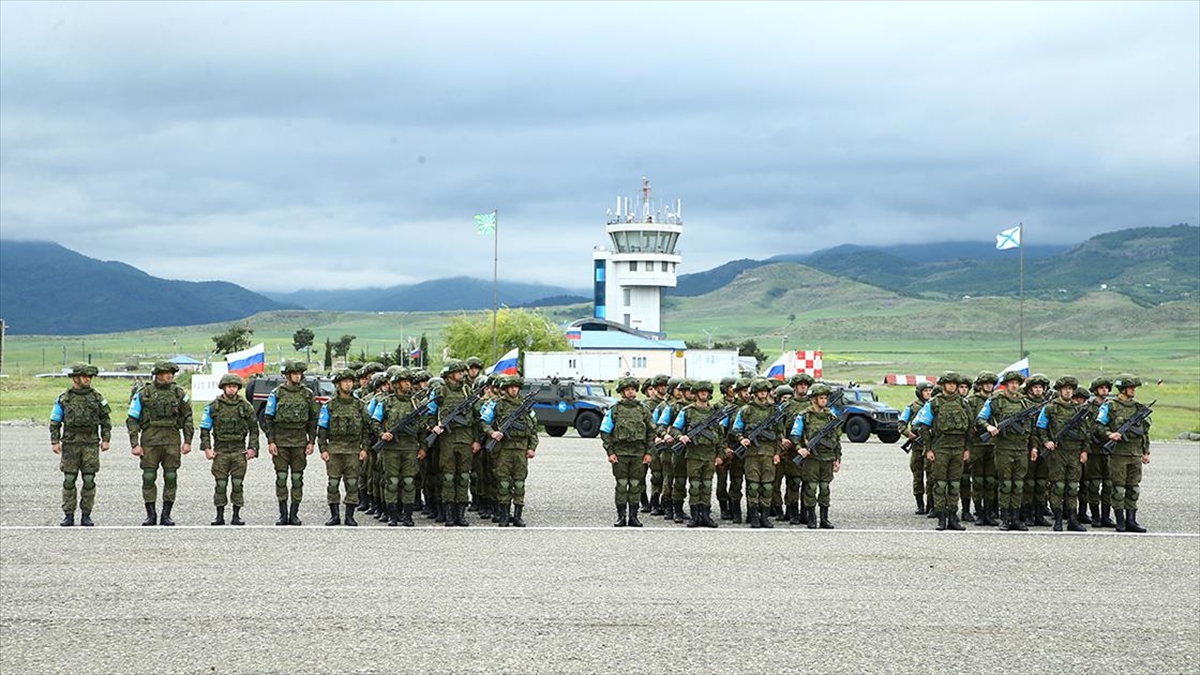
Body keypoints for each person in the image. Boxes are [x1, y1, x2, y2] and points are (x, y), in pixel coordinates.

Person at [127, 361, 193, 526]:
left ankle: (166, 514)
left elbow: (188, 418)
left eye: (171, 373)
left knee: (171, 476)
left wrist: (188, 441)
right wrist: (135, 444)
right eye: (165, 373)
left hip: (172, 439)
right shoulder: (144, 393)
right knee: (149, 476)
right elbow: (132, 419)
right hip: (150, 439)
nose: (169, 375)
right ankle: (150, 514)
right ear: (157, 374)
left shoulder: (179, 393)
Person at [50, 363, 112, 526]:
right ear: (76, 378)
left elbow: (106, 420)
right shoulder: (64, 398)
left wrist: (106, 439)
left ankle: (86, 514)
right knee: (69, 479)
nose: (88, 380)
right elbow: (55, 421)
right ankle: (68, 514)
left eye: (90, 377)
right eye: (85, 376)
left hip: (90, 443)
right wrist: (55, 441)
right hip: (70, 443)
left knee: (89, 479)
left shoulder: (97, 398)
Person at [977, 371, 1037, 531]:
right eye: (1011, 383)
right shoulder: (995, 400)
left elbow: (1033, 429)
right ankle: (1004, 519)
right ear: (1006, 384)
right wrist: (989, 427)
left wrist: (1034, 447)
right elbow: (981, 418)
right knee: (1005, 484)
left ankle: (1015, 518)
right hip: (1004, 448)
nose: (1014, 385)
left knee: (1018, 484)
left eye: (1017, 383)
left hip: (1021, 447)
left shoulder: (1025, 403)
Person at [262, 361, 320, 526]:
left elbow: (313, 419)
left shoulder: (307, 394)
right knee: (281, 477)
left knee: (297, 478)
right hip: (280, 441)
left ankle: (294, 514)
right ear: (287, 375)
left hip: (299, 441)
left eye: (300, 373)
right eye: (294, 373)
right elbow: (269, 418)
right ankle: (283, 514)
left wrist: (311, 441)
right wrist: (271, 441)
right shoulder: (277, 393)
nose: (298, 376)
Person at [912, 373, 971, 531]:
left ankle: (953, 517)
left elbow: (970, 427)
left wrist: (967, 449)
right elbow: (923, 426)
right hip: (940, 449)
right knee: (940, 484)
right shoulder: (934, 403)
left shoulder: (963, 403)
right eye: (949, 384)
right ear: (943, 385)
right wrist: (929, 448)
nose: (952, 386)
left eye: (954, 384)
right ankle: (941, 518)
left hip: (958, 448)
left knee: (954, 485)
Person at [199, 373, 259, 525]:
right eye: (229, 386)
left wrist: (252, 448)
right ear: (224, 388)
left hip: (239, 450)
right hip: (221, 450)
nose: (232, 389)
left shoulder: (246, 406)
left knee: (238, 483)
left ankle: (236, 515)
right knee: (221, 484)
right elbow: (205, 428)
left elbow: (254, 428)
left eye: (234, 387)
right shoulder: (214, 406)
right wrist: (207, 448)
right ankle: (219, 515)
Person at [1097, 374, 1152, 532]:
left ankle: (1131, 520)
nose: (1133, 390)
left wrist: (1145, 452)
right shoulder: (1110, 406)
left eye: (1134, 387)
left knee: (1133, 488)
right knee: (1119, 489)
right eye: (1131, 387)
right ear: (1122, 388)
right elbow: (1098, 426)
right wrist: (1110, 435)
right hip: (1118, 454)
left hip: (1135, 453)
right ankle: (1120, 521)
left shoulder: (1138, 408)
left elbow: (1144, 432)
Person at [370, 368, 425, 526]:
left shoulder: (416, 403)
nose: (408, 384)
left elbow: (422, 428)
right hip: (391, 449)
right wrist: (382, 434)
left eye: (409, 381)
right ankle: (393, 515)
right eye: (404, 381)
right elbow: (374, 421)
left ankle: (407, 516)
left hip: (409, 448)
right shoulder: (386, 402)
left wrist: (423, 448)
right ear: (396, 384)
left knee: (408, 481)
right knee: (392, 482)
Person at [428, 359, 478, 527]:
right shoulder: (440, 391)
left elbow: (477, 417)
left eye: (463, 372)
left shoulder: (467, 391)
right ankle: (449, 514)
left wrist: (476, 439)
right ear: (450, 374)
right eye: (459, 372)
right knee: (448, 477)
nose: (462, 374)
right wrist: (433, 427)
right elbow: (429, 412)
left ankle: (461, 515)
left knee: (463, 476)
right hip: (447, 439)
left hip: (465, 438)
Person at [1034, 376, 1088, 532]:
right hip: (1057, 453)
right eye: (1065, 389)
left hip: (1074, 452)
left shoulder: (1078, 409)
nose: (1068, 391)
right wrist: (1046, 442)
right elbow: (1041, 427)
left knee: (1072, 487)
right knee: (1057, 486)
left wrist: (1084, 450)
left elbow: (1086, 432)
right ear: (1059, 391)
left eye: (1071, 389)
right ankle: (1058, 520)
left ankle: (1072, 520)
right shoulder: (1051, 408)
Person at [670, 380, 727, 528]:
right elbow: (675, 428)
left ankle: (706, 515)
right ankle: (695, 516)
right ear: (695, 394)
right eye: (701, 391)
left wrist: (720, 455)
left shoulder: (715, 412)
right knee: (694, 485)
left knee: (707, 485)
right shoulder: (687, 411)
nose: (704, 394)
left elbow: (721, 436)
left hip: (709, 454)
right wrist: (680, 437)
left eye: (706, 392)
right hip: (693, 454)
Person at [318, 369, 371, 526]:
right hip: (334, 450)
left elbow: (366, 429)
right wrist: (323, 449)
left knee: (352, 484)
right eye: (345, 381)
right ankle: (334, 515)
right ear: (338, 384)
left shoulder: (359, 405)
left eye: (350, 381)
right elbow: (322, 429)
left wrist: (364, 449)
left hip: (353, 450)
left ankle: (350, 516)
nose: (348, 384)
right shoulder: (330, 405)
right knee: (333, 483)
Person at [484, 376, 538, 527]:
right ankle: (503, 515)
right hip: (504, 450)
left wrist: (532, 447)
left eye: (517, 387)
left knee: (519, 483)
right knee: (503, 483)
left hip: (521, 450)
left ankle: (518, 516)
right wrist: (492, 433)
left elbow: (533, 429)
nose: (515, 390)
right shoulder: (497, 404)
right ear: (506, 388)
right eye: (512, 387)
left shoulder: (525, 406)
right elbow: (484, 421)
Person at [601, 377, 654, 527]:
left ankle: (634, 516)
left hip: (638, 453)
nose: (631, 392)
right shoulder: (615, 410)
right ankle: (621, 516)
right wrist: (610, 452)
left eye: (633, 389)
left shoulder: (643, 410)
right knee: (622, 484)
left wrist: (649, 452)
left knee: (636, 484)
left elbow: (651, 432)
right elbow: (605, 431)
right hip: (620, 453)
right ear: (622, 392)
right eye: (627, 389)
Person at [731, 379, 784, 529]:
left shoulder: (774, 411)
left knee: (767, 487)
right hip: (751, 454)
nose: (763, 393)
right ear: (754, 392)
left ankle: (765, 517)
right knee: (753, 486)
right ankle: (753, 516)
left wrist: (777, 453)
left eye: (765, 391)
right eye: (760, 391)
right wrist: (742, 439)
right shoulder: (746, 410)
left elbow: (779, 434)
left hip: (769, 453)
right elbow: (736, 429)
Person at [791, 383, 843, 529]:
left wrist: (837, 459)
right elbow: (795, 435)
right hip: (811, 458)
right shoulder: (804, 416)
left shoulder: (830, 416)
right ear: (813, 399)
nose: (824, 401)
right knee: (811, 487)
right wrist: (799, 448)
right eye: (821, 398)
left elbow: (836, 440)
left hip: (827, 457)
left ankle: (824, 519)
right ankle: (811, 518)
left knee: (825, 487)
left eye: (825, 398)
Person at [967, 372, 999, 526]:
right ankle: (979, 512)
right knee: (978, 481)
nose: (988, 386)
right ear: (980, 385)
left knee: (991, 481)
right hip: (977, 445)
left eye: (991, 383)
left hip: (993, 445)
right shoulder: (971, 401)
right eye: (985, 383)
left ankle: (989, 512)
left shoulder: (997, 400)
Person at [898, 380, 934, 515]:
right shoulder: (912, 407)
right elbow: (901, 424)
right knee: (918, 476)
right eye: (925, 390)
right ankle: (920, 505)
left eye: (930, 390)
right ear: (919, 392)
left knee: (931, 477)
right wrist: (909, 434)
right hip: (917, 447)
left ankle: (931, 505)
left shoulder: (934, 405)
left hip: (930, 446)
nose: (928, 393)